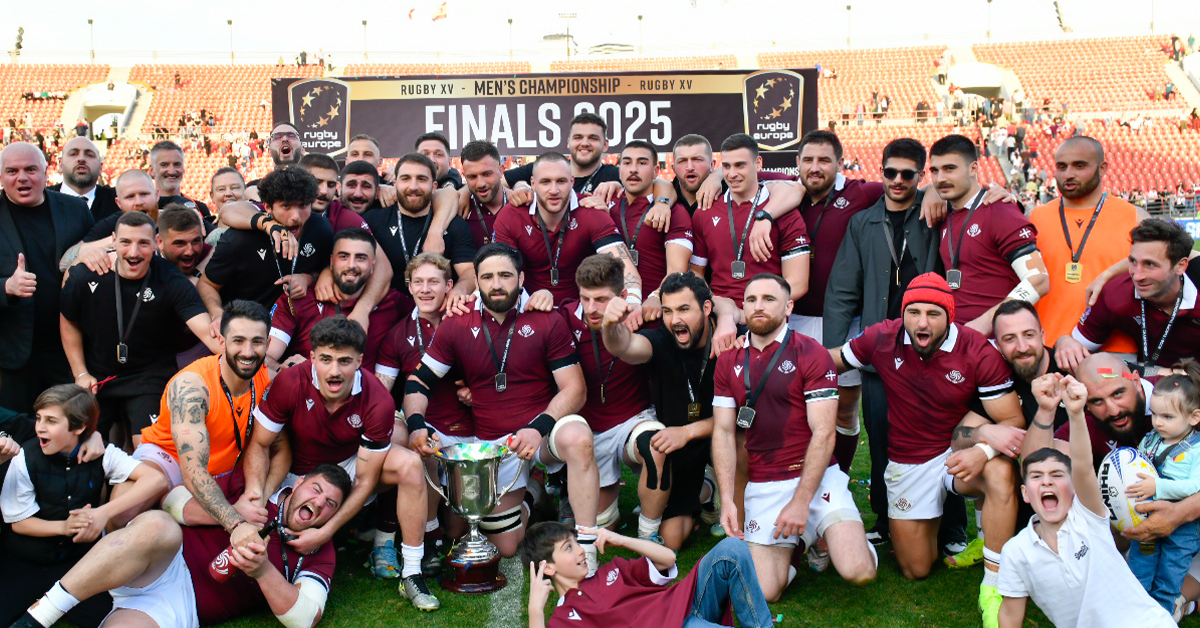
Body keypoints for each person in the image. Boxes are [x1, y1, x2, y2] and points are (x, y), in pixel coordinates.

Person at [830, 272, 1024, 628]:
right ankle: (935, 528)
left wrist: (983, 451)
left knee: (999, 470)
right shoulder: (882, 337)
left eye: (933, 314)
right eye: (914, 312)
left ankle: (995, 583)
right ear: (902, 314)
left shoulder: (976, 349)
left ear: (949, 317)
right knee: (915, 568)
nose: (922, 323)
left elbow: (1012, 419)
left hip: (957, 451)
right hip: (909, 460)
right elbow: (833, 360)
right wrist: (780, 356)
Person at [402, 244, 599, 571]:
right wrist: (416, 424)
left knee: (577, 437)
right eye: (487, 277)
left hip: (542, 431)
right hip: (494, 442)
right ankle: (533, 492)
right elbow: (417, 383)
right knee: (503, 545)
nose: (496, 284)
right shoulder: (457, 322)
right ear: (476, 282)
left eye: (505, 276)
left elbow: (575, 389)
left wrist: (538, 428)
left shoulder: (546, 318)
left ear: (521, 278)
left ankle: (588, 545)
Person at [243, 316, 438, 611]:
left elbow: (365, 480)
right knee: (261, 513)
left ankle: (412, 572)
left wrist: (325, 532)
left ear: (359, 361)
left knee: (410, 464)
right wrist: (255, 497)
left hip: (348, 467)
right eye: (326, 359)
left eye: (344, 361)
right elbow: (260, 444)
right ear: (312, 358)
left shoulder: (377, 399)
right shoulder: (290, 381)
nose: (334, 371)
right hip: (294, 471)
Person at [7, 464, 351, 628]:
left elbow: (306, 619)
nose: (318, 503)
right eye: (316, 490)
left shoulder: (319, 549)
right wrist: (231, 515)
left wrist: (263, 572)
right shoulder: (256, 489)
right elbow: (172, 500)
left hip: (180, 606)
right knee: (159, 524)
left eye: (330, 505)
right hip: (161, 558)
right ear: (299, 483)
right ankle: (37, 620)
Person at [713, 273, 876, 601]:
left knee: (858, 571)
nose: (759, 306)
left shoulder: (811, 352)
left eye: (769, 299)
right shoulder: (729, 359)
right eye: (751, 300)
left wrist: (801, 503)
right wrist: (728, 499)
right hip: (765, 483)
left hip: (816, 476)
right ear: (743, 308)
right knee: (765, 592)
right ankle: (801, 543)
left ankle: (842, 532)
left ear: (788, 307)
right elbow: (723, 432)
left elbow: (824, 433)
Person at [824, 137, 945, 545]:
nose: (897, 180)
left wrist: (935, 193)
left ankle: (946, 524)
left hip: (930, 343)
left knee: (936, 433)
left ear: (920, 175)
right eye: (890, 172)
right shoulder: (863, 223)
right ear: (882, 170)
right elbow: (842, 290)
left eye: (908, 174)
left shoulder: (934, 212)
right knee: (880, 434)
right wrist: (831, 354)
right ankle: (884, 516)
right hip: (882, 346)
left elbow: (973, 192)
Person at [999, 373, 1175, 627]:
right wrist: (1046, 408)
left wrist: (1076, 413)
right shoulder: (1016, 551)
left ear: (1073, 487)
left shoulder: (1088, 517)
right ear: (1026, 493)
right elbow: (1010, 614)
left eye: (1057, 475)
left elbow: (1082, 466)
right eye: (1037, 477)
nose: (1047, 481)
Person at [0, 384, 166, 627]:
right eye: (39, 418)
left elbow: (156, 480)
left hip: (77, 563)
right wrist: (64, 527)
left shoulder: (103, 453)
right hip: (25, 559)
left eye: (51, 421)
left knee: (109, 618)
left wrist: (103, 513)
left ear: (78, 427)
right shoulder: (25, 457)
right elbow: (19, 524)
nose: (40, 427)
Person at [602, 271, 741, 549]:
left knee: (744, 439)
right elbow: (625, 346)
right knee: (671, 541)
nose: (675, 319)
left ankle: (739, 511)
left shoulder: (731, 339)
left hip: (722, 436)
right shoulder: (662, 340)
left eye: (684, 309)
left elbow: (743, 416)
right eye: (667, 311)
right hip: (681, 448)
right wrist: (610, 325)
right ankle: (707, 489)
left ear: (706, 308)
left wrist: (688, 431)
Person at [60, 211, 219, 446]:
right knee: (84, 447)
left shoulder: (171, 280)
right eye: (126, 242)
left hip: (148, 376)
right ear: (114, 241)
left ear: (156, 243)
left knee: (147, 449)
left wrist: (242, 354)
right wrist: (80, 373)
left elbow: (206, 331)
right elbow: (69, 321)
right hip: (97, 376)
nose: (134, 252)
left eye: (143, 243)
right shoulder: (85, 274)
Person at [550, 254, 670, 541]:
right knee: (603, 526)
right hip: (588, 431)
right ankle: (554, 492)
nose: (591, 308)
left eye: (601, 299)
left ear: (623, 297)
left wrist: (653, 300)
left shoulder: (640, 320)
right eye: (585, 298)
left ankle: (649, 534)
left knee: (656, 446)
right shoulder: (562, 320)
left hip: (632, 419)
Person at [134, 300, 274, 536]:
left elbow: (279, 447)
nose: (248, 352)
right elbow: (193, 471)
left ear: (268, 343)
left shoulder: (268, 381)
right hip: (170, 459)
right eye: (238, 341)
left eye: (257, 342)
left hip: (226, 469)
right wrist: (235, 520)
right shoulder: (192, 385)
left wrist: (257, 495)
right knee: (131, 504)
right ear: (222, 341)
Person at [375, 252, 473, 574]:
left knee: (459, 529)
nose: (426, 289)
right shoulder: (397, 333)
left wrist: (475, 391)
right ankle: (429, 536)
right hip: (427, 424)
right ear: (409, 286)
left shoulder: (468, 318)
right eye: (418, 282)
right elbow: (382, 388)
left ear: (449, 285)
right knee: (415, 445)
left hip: (471, 428)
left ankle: (530, 495)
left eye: (433, 282)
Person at [523, 522, 775, 628]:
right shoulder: (564, 618)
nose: (580, 551)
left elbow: (668, 558)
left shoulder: (613, 569)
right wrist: (535, 612)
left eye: (576, 543)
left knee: (731, 549)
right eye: (568, 548)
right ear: (548, 568)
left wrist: (621, 539)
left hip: (687, 603)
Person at [0, 142, 96, 414]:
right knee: (18, 432)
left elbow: (95, 254)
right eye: (12, 171)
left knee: (70, 427)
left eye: (30, 169)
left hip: (69, 349)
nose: (22, 177)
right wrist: (6, 287)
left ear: (45, 172)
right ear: (1, 177)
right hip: (12, 354)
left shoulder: (75, 210)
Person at [1028, 136, 1144, 357]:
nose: (1068, 174)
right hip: (1047, 348)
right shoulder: (1035, 217)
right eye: (1062, 167)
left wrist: (1109, 273)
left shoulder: (1134, 216)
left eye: (1079, 166)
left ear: (1103, 168)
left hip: (1115, 351)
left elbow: (1172, 258)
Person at [929, 134, 1048, 335]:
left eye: (950, 168)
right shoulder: (945, 213)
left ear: (973, 168)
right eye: (935, 170)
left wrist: (985, 324)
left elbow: (1039, 279)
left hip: (995, 340)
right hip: (956, 337)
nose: (940, 178)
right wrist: (928, 191)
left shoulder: (1000, 210)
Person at [493, 151, 642, 308]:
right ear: (533, 184)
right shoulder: (511, 215)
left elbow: (624, 267)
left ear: (572, 181)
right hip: (529, 308)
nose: (554, 190)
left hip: (584, 310)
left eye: (561, 181)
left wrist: (632, 304)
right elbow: (500, 271)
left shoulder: (591, 210)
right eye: (545, 182)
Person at [1056, 219, 1200, 376]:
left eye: (1150, 264)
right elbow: (1078, 345)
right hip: (1144, 382)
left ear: (1180, 266)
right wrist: (1065, 342)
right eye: (1133, 261)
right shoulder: (1115, 294)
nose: (1137, 276)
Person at [688, 134, 810, 305]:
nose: (732, 174)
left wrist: (756, 308)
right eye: (727, 166)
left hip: (765, 314)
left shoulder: (785, 212)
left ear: (758, 163)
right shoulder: (705, 212)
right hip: (721, 312)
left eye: (740, 165)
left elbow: (798, 283)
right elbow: (696, 272)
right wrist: (715, 306)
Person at [579, 140, 693, 320]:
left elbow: (677, 269)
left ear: (656, 171)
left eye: (642, 163)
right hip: (610, 311)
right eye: (627, 162)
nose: (633, 169)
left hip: (653, 312)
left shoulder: (672, 211)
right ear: (619, 169)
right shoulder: (604, 203)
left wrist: (657, 296)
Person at [265, 228, 402, 375]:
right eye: (343, 256)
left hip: (359, 389)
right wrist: (283, 371)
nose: (351, 265)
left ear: (373, 265)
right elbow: (266, 356)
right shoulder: (300, 299)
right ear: (331, 262)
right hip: (302, 386)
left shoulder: (393, 305)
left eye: (361, 258)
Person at [200, 167, 333, 314]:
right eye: (286, 206)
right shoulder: (240, 239)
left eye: (303, 205)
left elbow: (325, 266)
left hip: (297, 323)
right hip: (247, 323)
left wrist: (307, 278)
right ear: (268, 207)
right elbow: (206, 284)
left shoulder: (320, 228)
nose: (296, 216)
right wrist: (216, 314)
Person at [1126, 363, 1200, 612]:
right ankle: (1133, 613)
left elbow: (1194, 486)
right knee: (1140, 569)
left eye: (1167, 417)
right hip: (1146, 516)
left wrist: (1157, 486)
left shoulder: (1197, 448)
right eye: (1155, 414)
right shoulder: (1151, 439)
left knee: (1169, 577)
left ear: (1194, 417)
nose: (1158, 422)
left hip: (1184, 530)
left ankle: (1161, 615)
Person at [362, 153, 477, 304]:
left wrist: (459, 290)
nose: (413, 187)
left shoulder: (453, 223)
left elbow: (469, 270)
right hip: (387, 311)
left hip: (439, 312)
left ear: (434, 186)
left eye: (422, 179)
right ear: (395, 184)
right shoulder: (373, 220)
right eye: (406, 179)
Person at [503, 113, 621, 196]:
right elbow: (497, 184)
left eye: (593, 138)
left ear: (605, 145)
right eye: (578, 137)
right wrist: (519, 185)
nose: (585, 143)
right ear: (568, 142)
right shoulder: (545, 167)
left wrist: (621, 188)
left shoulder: (617, 176)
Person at [49, 136, 119, 221]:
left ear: (100, 167)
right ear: (60, 164)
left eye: (90, 155)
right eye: (73, 154)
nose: (81, 159)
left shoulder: (119, 201)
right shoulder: (42, 200)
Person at [459, 140, 508, 248]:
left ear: (501, 171)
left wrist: (521, 185)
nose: (480, 184)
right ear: (464, 176)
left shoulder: (521, 204)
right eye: (472, 177)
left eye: (487, 174)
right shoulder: (459, 208)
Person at [148, 140, 210, 218]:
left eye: (177, 164)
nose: (172, 171)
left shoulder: (200, 208)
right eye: (164, 165)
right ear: (152, 171)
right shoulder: (143, 208)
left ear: (183, 169)